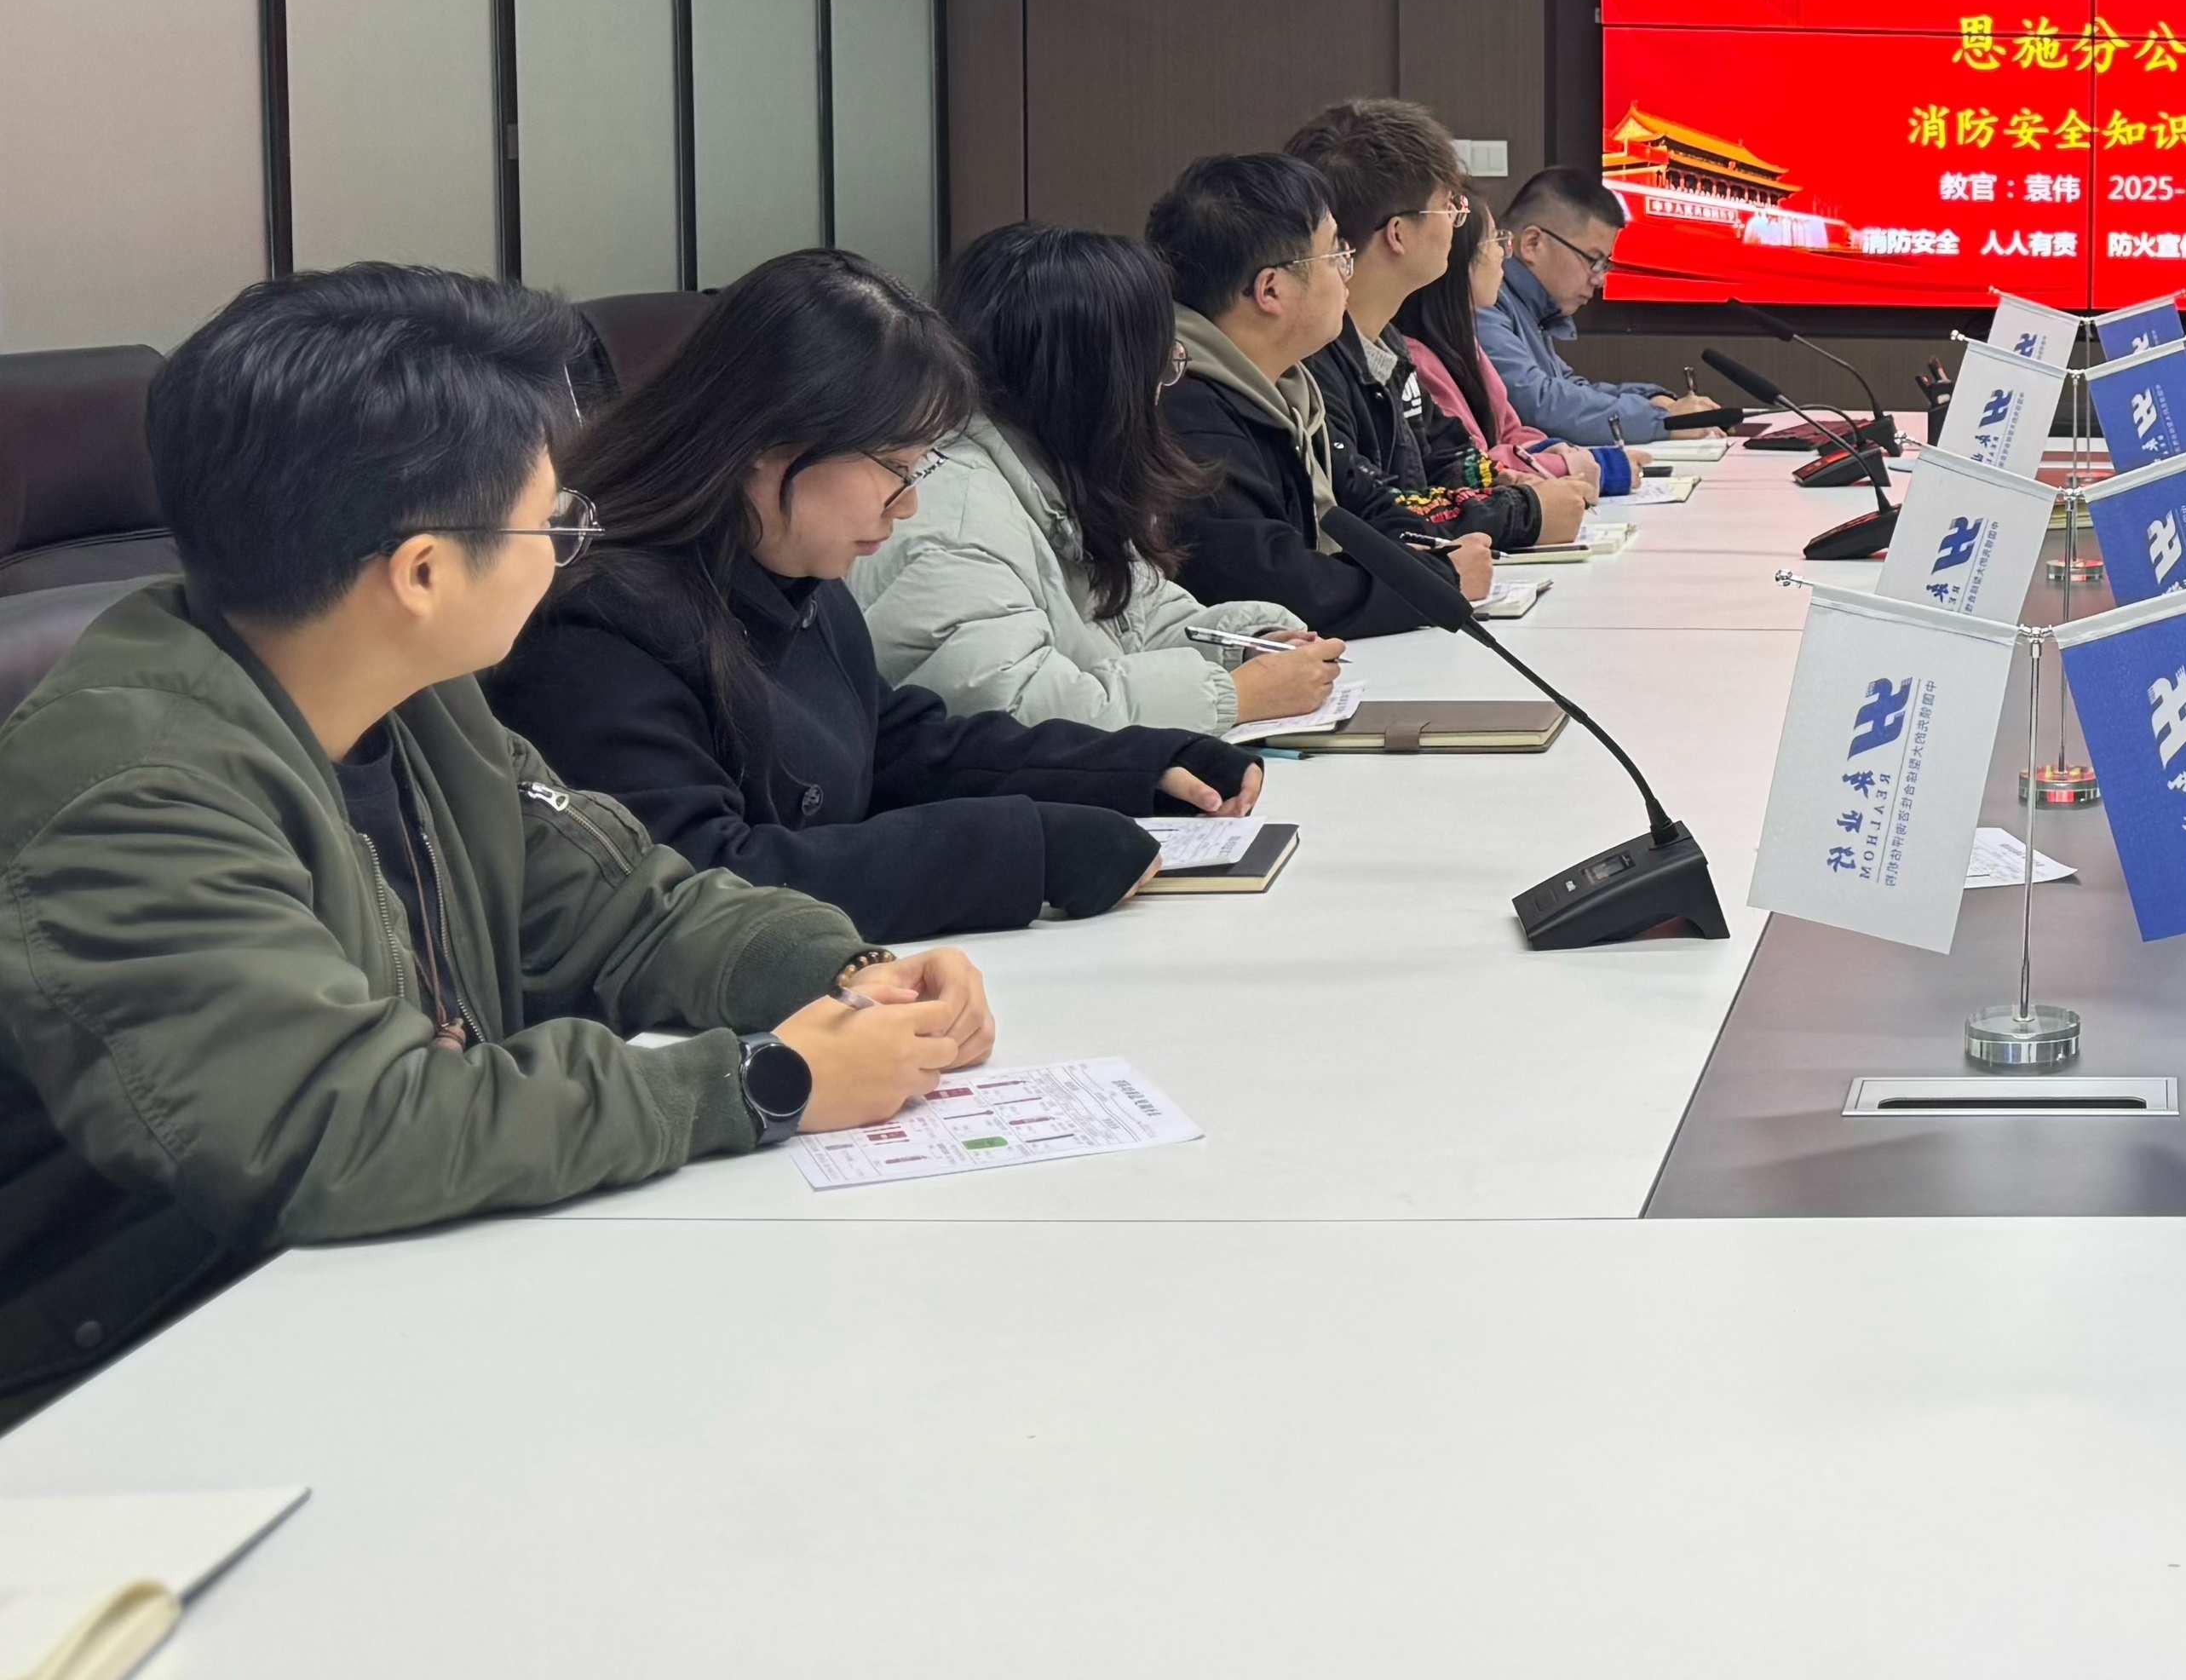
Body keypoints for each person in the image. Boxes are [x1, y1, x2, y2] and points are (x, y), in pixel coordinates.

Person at [0, 268, 994, 1416]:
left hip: (376, 1297)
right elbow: (347, 1127)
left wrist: (843, 973)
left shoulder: (417, 699)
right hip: (135, 1385)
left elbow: (629, 906)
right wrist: (765, 1080)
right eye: (553, 522)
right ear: (423, 571)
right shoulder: (131, 795)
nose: (572, 549)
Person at [492, 251, 1256, 943]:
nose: (908, 504)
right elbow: (701, 879)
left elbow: (898, 745)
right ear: (766, 444)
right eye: (894, 466)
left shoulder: (788, 571)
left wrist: (1131, 767)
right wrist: (1017, 851)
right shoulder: (597, 623)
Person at [851, 222, 1349, 737]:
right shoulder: (953, 521)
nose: (1162, 392)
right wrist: (1232, 694)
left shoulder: (1049, 471)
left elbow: (1138, 617)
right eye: (1159, 367)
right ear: (1099, 382)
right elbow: (1013, 712)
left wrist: (1247, 646)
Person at [1148, 151, 1475, 636]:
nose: (1347, 272)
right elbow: (1278, 588)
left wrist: (1431, 566)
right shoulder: (1184, 407)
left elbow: (1370, 505)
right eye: (1335, 255)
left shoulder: (1288, 388)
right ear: (1271, 291)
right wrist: (1434, 585)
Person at [1286, 96, 1540, 561]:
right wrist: (1526, 513)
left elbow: (1445, 456)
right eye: (1449, 207)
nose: (1457, 222)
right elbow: (1380, 513)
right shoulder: (1309, 362)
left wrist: (1510, 484)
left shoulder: (1387, 343)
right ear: (1398, 233)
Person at [1400, 187, 1610, 525]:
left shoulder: (1466, 343)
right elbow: (1469, 466)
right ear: (1458, 258)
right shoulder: (1417, 359)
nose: (1503, 254)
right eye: (1494, 241)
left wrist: (1556, 451)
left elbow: (1513, 430)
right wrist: (1573, 465)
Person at [1486, 166, 1723, 457]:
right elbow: (1538, 404)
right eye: (1593, 260)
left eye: (1605, 264)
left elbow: (1567, 387)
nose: (1599, 279)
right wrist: (1662, 420)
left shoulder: (1531, 308)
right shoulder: (1484, 300)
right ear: (1532, 244)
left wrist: (1652, 400)